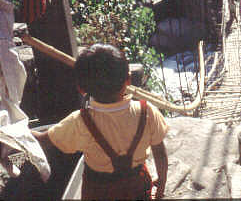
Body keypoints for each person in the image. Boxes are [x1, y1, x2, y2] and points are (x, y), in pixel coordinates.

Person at [32, 44, 168, 200]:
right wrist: (161, 184)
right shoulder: (147, 111)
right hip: (138, 184)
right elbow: (160, 152)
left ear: (81, 89)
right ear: (128, 79)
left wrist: (13, 133)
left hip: (99, 190)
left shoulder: (79, 121)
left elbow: (44, 140)